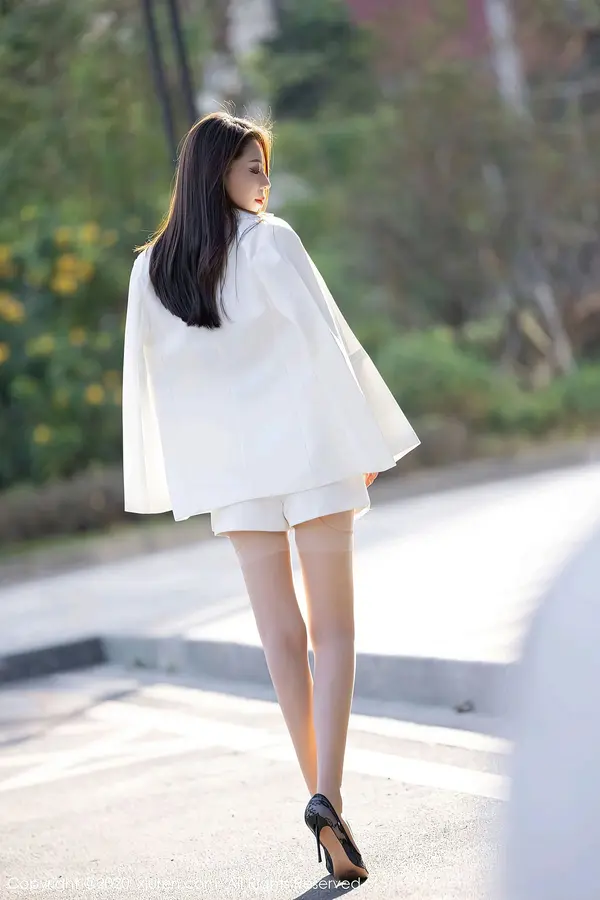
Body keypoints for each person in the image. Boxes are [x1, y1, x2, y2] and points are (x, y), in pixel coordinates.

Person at [121, 110, 420, 883]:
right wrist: (365, 440)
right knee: (334, 634)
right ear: (217, 170)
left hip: (234, 475)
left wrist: (192, 472)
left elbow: (157, 390)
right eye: (253, 168)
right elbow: (329, 343)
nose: (265, 183)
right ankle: (329, 796)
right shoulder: (270, 240)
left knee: (281, 641)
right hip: (312, 455)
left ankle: (321, 805)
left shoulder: (152, 270)